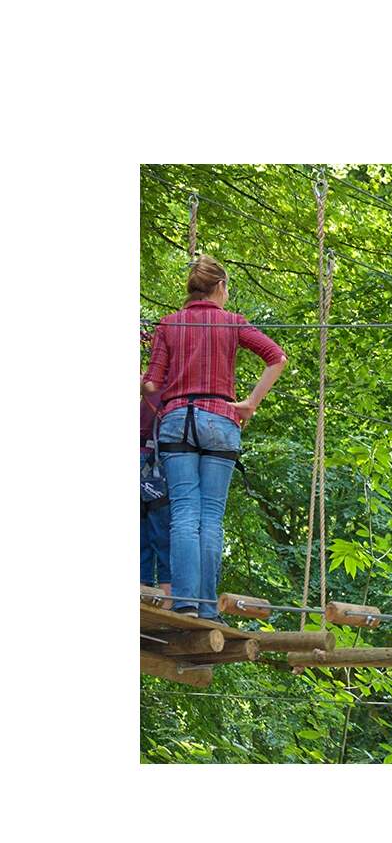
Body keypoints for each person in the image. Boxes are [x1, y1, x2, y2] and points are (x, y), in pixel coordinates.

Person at [141, 256, 287, 619]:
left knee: (184, 515)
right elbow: (277, 357)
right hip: (221, 420)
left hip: (177, 421)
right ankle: (207, 608)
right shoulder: (232, 322)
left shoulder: (169, 324)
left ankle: (187, 603)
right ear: (220, 287)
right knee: (210, 516)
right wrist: (251, 403)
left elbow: (152, 384)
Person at [140, 388, 171, 603]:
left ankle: (167, 599)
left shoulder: (165, 385)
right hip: (160, 461)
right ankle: (164, 599)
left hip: (159, 461)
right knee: (160, 536)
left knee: (159, 535)